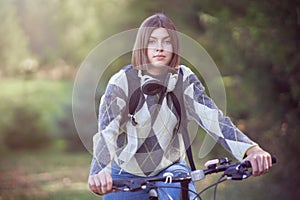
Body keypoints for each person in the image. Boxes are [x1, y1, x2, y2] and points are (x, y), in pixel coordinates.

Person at [88, 13, 272, 199]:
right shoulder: (122, 82)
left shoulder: (184, 80)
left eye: (167, 42)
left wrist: (252, 150)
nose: (159, 48)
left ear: (174, 46)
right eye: (152, 42)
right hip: (126, 172)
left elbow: (214, 120)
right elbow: (107, 131)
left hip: (171, 169)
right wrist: (100, 172)